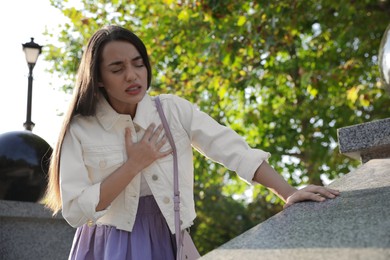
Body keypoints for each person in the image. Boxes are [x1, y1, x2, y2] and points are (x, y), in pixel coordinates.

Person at [45, 25, 339, 260]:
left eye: (138, 64)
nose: (132, 75)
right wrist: (133, 165)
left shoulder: (172, 110)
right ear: (97, 78)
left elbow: (231, 149)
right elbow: (74, 211)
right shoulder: (80, 128)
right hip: (109, 245)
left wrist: (287, 192)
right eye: (117, 68)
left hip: (169, 237)